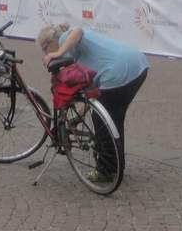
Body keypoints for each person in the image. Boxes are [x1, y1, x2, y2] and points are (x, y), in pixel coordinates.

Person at [38, 22, 148, 184]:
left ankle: (106, 171)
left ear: (50, 43)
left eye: (44, 50)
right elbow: (94, 92)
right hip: (138, 65)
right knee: (114, 119)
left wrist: (57, 53)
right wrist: (78, 116)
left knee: (102, 122)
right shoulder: (78, 54)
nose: (45, 54)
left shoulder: (65, 39)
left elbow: (78, 32)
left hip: (117, 73)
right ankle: (116, 166)